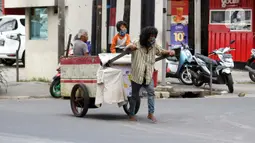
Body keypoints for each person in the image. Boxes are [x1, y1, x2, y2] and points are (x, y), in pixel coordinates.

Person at [127, 26, 175, 122]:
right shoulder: (136, 43)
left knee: (151, 93)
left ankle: (150, 113)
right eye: (151, 36)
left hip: (148, 74)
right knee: (134, 96)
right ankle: (131, 114)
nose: (152, 38)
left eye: (154, 36)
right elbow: (127, 47)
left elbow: (161, 51)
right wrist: (130, 47)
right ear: (145, 36)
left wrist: (169, 52)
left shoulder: (154, 45)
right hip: (137, 74)